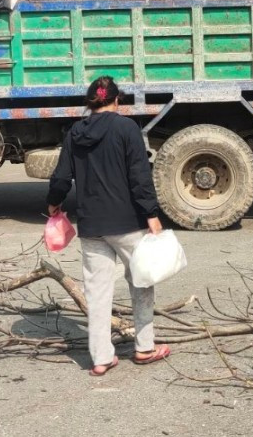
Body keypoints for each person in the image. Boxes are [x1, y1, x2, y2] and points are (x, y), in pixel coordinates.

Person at [46, 76, 170, 375]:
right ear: (117, 101)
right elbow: (140, 176)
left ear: (91, 102)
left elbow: (62, 176)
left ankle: (101, 358)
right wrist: (151, 214)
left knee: (97, 293)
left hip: (92, 225)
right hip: (128, 223)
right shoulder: (127, 129)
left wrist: (53, 202)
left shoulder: (75, 132)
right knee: (141, 282)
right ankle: (145, 347)